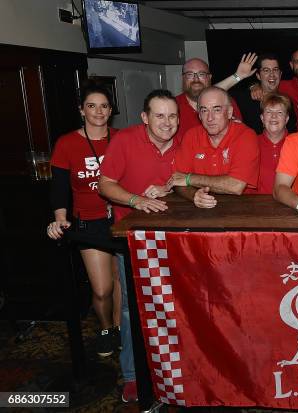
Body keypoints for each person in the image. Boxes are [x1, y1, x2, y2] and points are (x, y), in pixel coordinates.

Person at [99, 89, 181, 403]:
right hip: (136, 239)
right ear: (145, 118)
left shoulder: (185, 142)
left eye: (172, 115)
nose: (167, 122)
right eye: (159, 115)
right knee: (133, 311)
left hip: (176, 240)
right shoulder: (125, 140)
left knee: (176, 308)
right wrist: (137, 200)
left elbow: (196, 182)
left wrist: (169, 188)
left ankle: (175, 371)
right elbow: (105, 184)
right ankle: (133, 376)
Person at [47, 84, 120, 358]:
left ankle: (120, 330)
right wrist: (60, 219)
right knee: (103, 288)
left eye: (104, 106)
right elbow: (59, 187)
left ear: (111, 111)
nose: (98, 111)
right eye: (91, 105)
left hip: (121, 219)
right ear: (81, 110)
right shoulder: (67, 143)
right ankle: (105, 328)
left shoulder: (122, 138)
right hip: (89, 222)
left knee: (122, 284)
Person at [168, 86, 260, 205]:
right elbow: (177, 180)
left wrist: (189, 178)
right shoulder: (191, 136)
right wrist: (194, 195)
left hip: (241, 210)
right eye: (204, 110)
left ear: (229, 112)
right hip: (200, 211)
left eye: (217, 110)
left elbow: (236, 185)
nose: (210, 118)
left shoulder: (246, 135)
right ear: (199, 115)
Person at [176, 54, 257, 138]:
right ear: (183, 78)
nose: (196, 79)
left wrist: (238, 76)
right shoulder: (173, 107)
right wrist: (237, 76)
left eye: (201, 74)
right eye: (190, 74)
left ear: (210, 77)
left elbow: (240, 137)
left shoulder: (226, 102)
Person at [232, 54, 296, 134]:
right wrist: (238, 76)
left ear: (280, 74)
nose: (272, 74)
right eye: (266, 70)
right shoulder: (246, 98)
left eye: (275, 70)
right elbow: (213, 93)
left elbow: (292, 133)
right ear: (258, 76)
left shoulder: (286, 102)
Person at [256, 93, 291, 194]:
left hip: (289, 205)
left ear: (286, 119)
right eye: (269, 112)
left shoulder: (297, 144)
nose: (274, 116)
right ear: (262, 118)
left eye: (279, 112)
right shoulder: (251, 143)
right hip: (256, 205)